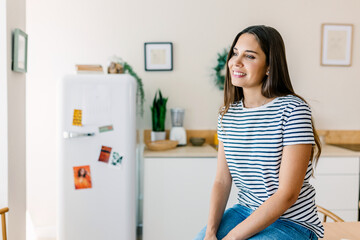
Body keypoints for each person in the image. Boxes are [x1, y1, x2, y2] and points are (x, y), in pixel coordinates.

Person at [195, 25, 323, 240]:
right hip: (245, 212)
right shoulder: (227, 114)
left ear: (269, 67)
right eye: (235, 53)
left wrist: (232, 237)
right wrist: (210, 232)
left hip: (292, 222)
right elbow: (222, 181)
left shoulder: (292, 110)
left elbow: (287, 195)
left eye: (250, 56)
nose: (236, 62)